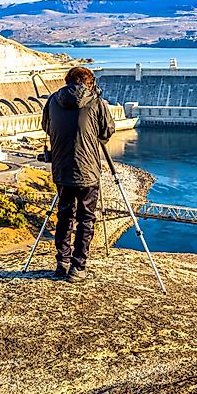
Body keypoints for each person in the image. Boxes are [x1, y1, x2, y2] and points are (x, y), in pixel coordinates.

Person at [41, 66, 115, 283]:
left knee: (64, 215)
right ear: (89, 83)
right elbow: (107, 131)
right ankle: (78, 267)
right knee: (86, 219)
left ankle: (62, 263)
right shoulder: (95, 102)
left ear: (67, 81)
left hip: (62, 170)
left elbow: (47, 126)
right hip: (87, 171)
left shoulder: (53, 100)